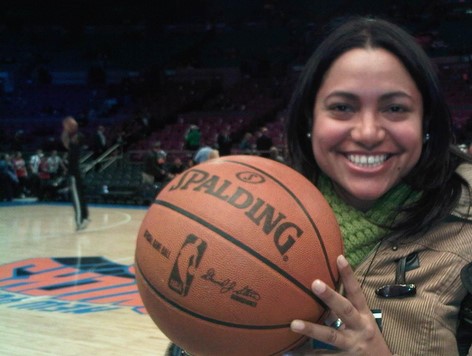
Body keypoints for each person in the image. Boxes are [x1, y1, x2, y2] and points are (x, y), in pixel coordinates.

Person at [282, 16, 472, 355]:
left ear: (425, 121)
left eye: (395, 108)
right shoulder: (251, 214)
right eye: (342, 107)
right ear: (310, 120)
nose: (368, 133)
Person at [61, 116, 89, 231]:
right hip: (74, 172)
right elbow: (65, 142)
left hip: (74, 173)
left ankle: (80, 221)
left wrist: (67, 127)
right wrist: (66, 130)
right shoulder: (73, 142)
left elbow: (68, 141)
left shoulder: (79, 137)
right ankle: (84, 218)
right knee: (80, 197)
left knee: (76, 198)